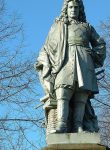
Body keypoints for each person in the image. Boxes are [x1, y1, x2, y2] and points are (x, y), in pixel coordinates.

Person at [35, 0, 106, 134]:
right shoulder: (57, 26)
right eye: (71, 7)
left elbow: (100, 43)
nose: (73, 9)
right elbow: (47, 46)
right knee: (62, 92)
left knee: (81, 96)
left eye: (76, 7)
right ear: (66, 9)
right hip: (64, 61)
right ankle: (62, 124)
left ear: (80, 10)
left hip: (84, 61)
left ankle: (78, 126)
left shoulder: (87, 27)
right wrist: (43, 60)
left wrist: (95, 54)